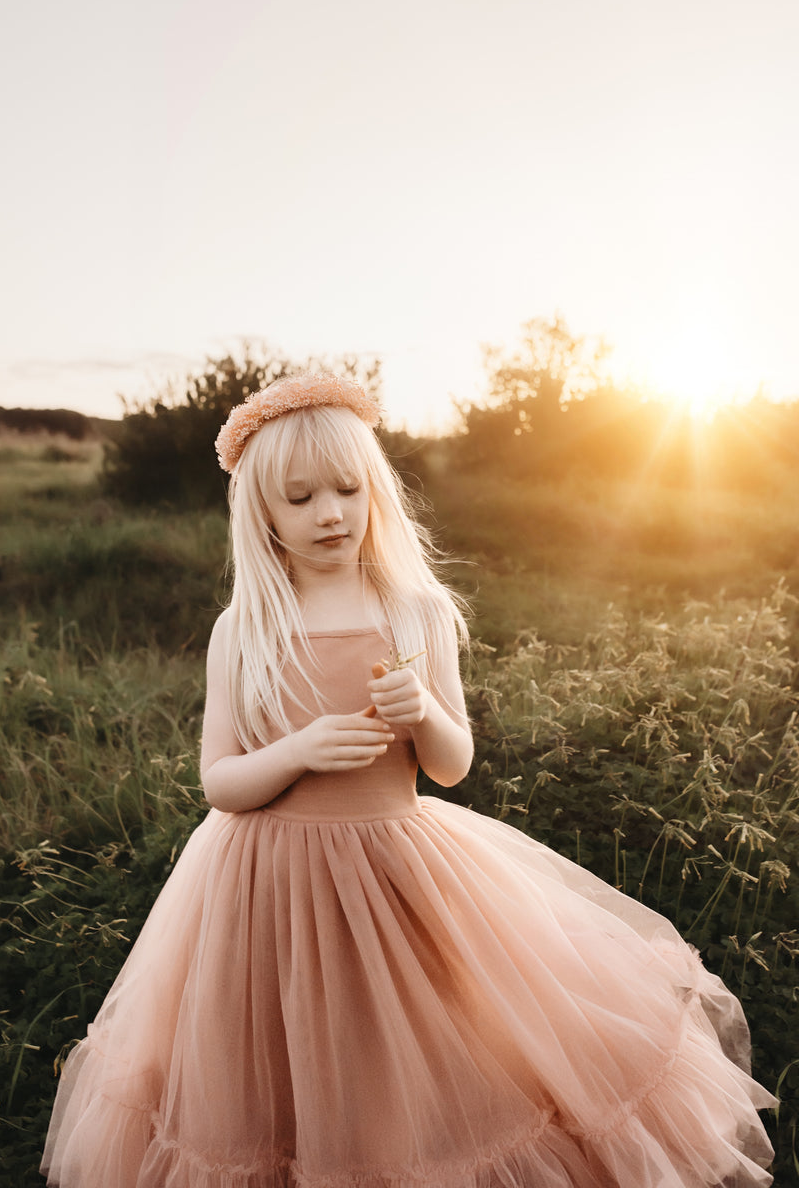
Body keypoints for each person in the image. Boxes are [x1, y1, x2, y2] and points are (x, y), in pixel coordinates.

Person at [41, 371, 776, 1188]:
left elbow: (452, 766)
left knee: (413, 1047)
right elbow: (220, 780)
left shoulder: (414, 610)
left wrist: (422, 708)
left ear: (374, 491)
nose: (329, 513)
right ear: (263, 515)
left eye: (348, 490)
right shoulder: (244, 628)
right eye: (300, 497)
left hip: (398, 872)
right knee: (282, 1061)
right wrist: (300, 750)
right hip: (266, 886)